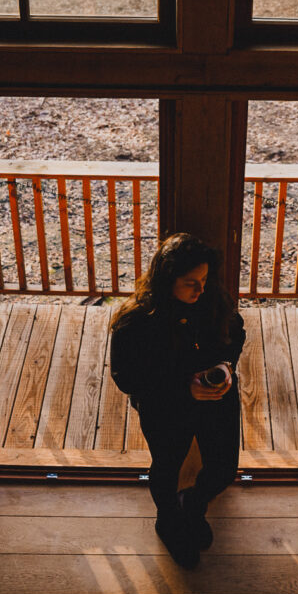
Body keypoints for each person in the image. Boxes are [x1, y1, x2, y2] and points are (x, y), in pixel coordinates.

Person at [110, 232, 245, 569]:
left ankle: (194, 505)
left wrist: (226, 365)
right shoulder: (136, 320)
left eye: (203, 280)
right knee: (167, 468)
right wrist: (184, 389)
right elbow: (125, 378)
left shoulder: (210, 297)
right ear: (167, 279)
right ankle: (168, 520)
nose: (201, 290)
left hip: (217, 395)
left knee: (224, 468)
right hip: (165, 406)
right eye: (191, 283)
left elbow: (236, 330)